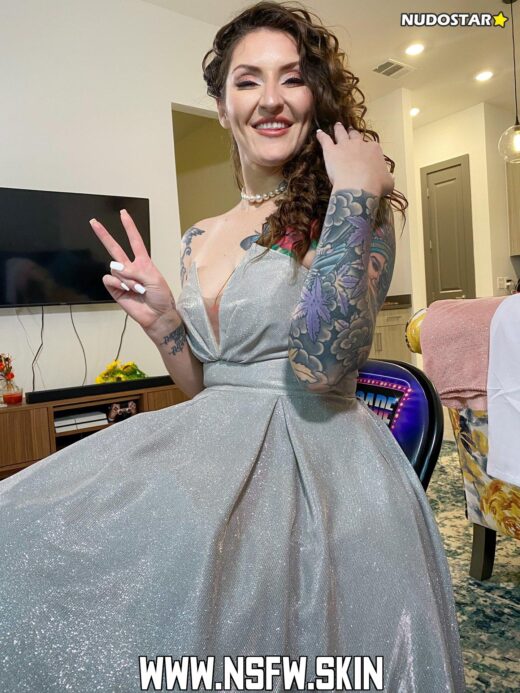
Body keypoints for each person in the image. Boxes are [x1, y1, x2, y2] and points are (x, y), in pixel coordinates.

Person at [0, 2, 465, 691]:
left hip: (315, 468)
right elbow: (208, 387)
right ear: (222, 107)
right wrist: (165, 323)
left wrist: (354, 194)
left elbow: (320, 365)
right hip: (213, 453)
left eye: (292, 78)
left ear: (316, 98)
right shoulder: (198, 236)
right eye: (248, 81)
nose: (270, 98)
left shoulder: (349, 206)